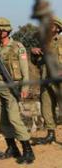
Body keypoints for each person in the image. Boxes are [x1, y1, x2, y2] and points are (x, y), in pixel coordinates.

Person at [0, 17, 35, 164]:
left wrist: (25, 88)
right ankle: (12, 148)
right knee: (2, 120)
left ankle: (28, 151)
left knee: (14, 118)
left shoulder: (18, 47)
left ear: (4, 31)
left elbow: (25, 71)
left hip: (12, 88)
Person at [31, 16, 62, 145]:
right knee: (46, 107)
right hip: (45, 79)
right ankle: (50, 134)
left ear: (57, 28)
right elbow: (35, 63)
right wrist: (34, 53)